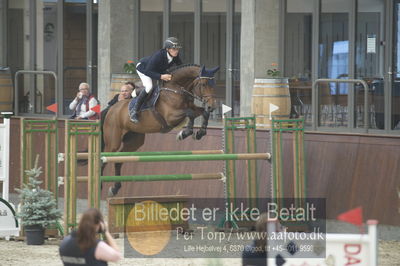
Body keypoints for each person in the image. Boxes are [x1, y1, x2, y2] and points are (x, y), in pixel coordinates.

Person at [131, 36, 183, 123]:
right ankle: (134, 111)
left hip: (157, 70)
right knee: (149, 87)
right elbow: (148, 71)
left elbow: (180, 66)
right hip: (143, 69)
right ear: (167, 49)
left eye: (177, 49)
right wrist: (161, 77)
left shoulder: (175, 55)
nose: (176, 51)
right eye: (174, 49)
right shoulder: (158, 55)